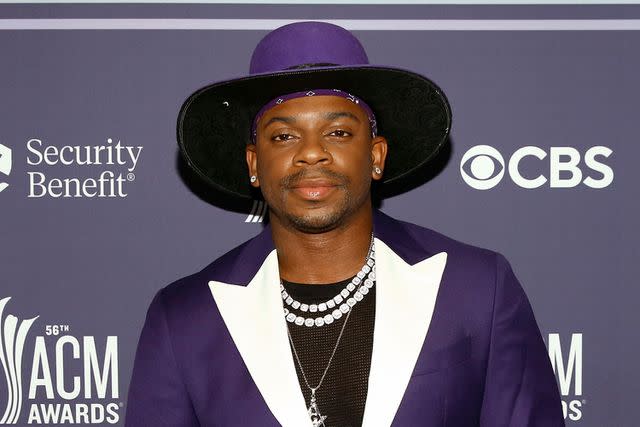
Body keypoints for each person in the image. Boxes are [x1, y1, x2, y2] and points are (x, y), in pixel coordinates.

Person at [125, 21, 564, 427]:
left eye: (337, 133)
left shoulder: (477, 288)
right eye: (283, 136)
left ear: (375, 156)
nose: (311, 153)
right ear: (254, 165)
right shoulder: (185, 317)